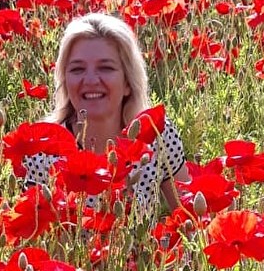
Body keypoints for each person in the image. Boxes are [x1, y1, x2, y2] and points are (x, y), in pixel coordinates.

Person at [22, 13, 190, 213]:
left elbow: (192, 221)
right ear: (65, 82)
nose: (91, 80)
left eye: (106, 68)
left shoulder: (157, 136)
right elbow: (33, 233)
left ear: (128, 82)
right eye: (77, 69)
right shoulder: (43, 151)